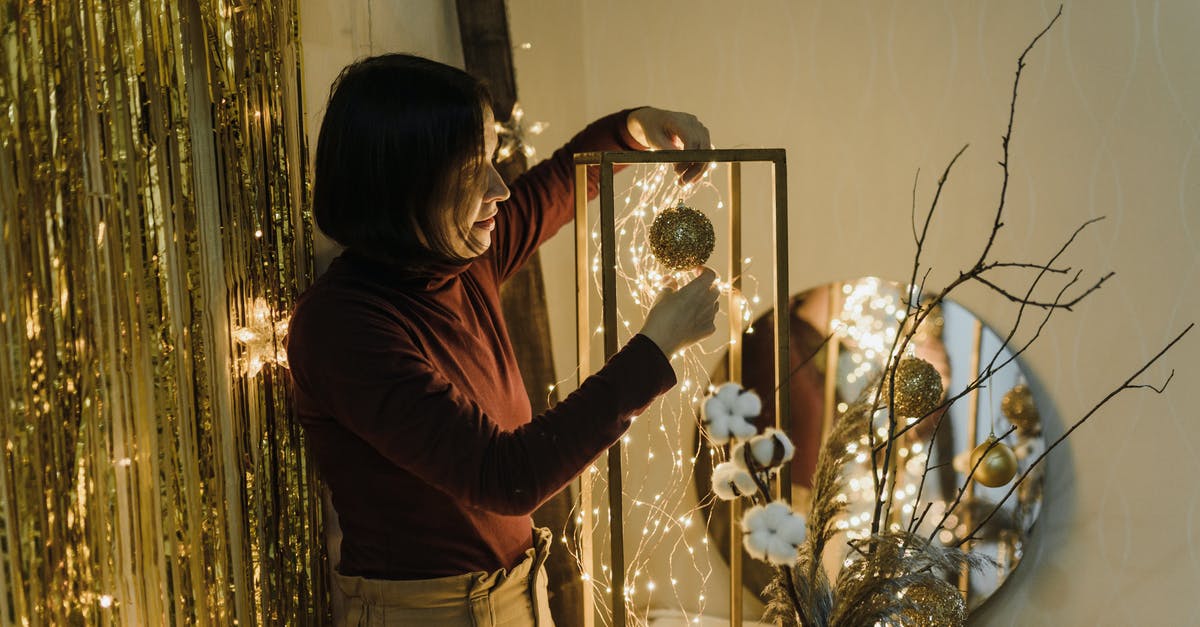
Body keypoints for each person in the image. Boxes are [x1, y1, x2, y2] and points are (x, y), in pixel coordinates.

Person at [285, 53, 720, 626]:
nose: (499, 189)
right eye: (472, 171)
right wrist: (654, 349)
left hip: (518, 594)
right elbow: (506, 477)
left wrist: (636, 128)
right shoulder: (344, 329)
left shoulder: (459, 260)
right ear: (404, 184)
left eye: (492, 160)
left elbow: (562, 181)